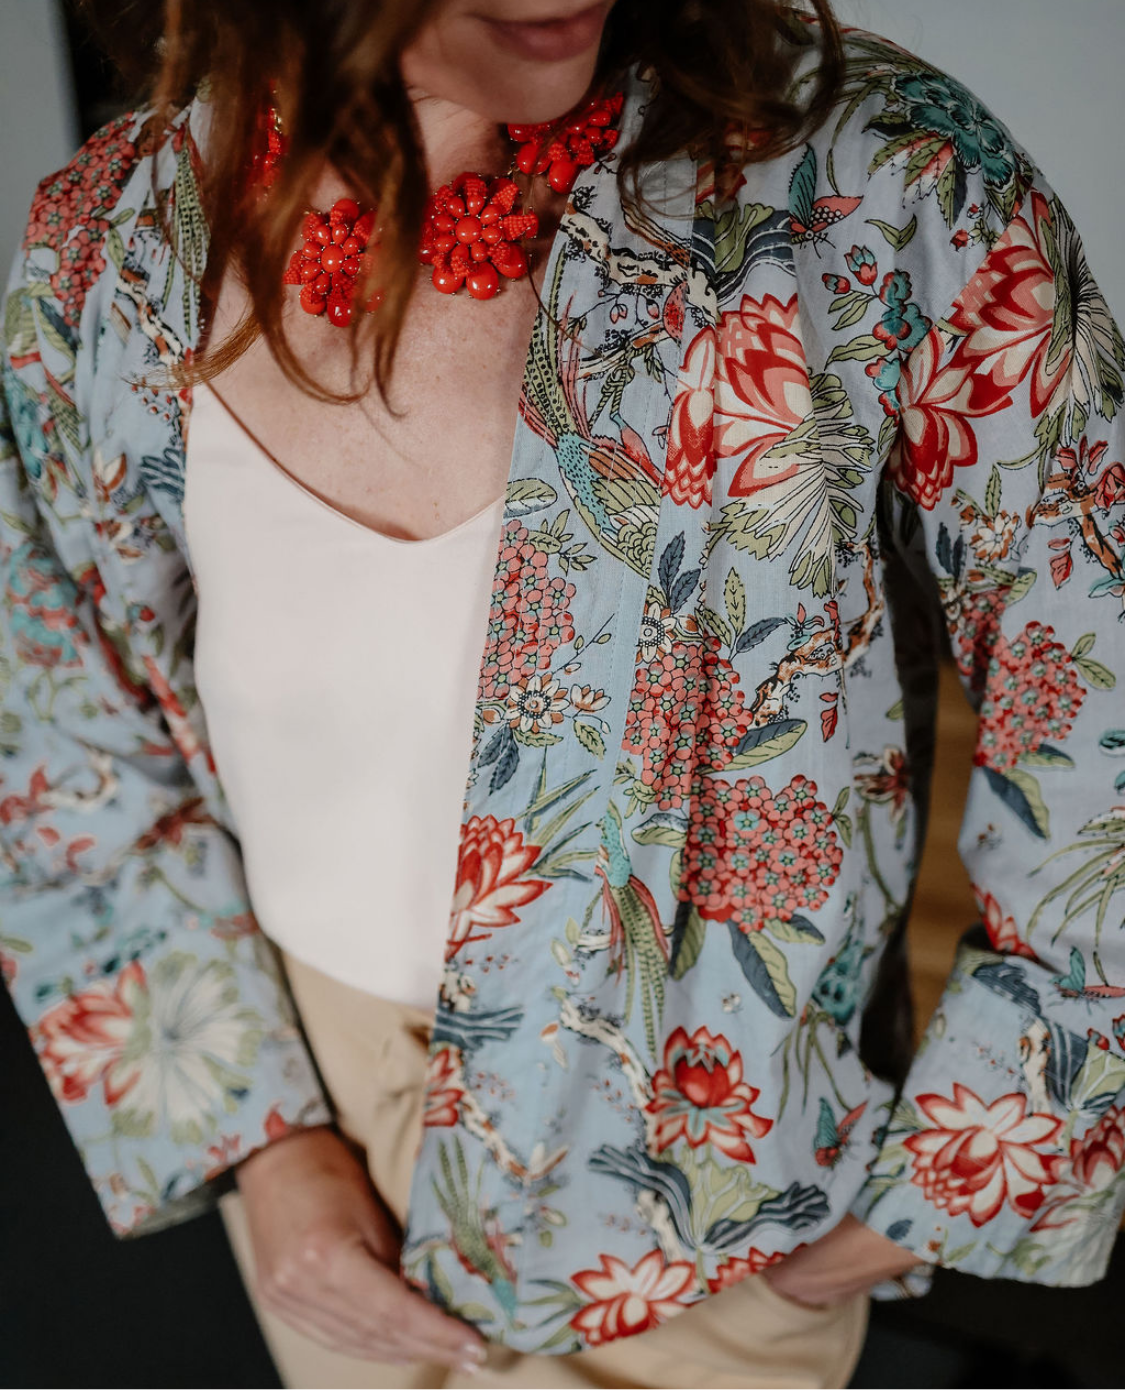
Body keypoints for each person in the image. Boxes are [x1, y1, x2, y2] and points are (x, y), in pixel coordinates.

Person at [2, 1, 1124, 1387]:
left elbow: (1098, 671)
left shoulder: (879, 181)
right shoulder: (103, 253)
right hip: (323, 1143)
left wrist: (978, 1148)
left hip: (719, 1199)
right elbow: (60, 718)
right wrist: (259, 1143)